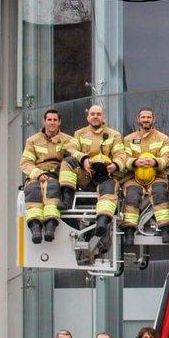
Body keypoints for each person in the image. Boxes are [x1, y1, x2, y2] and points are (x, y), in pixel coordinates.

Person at [59, 103, 124, 255]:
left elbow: (121, 155)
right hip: (86, 176)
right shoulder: (79, 134)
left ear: (103, 117)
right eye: (93, 114)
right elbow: (70, 149)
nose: (95, 116)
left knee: (109, 190)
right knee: (67, 162)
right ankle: (67, 196)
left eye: (98, 114)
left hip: (106, 176)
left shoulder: (114, 135)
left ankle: (102, 222)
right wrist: (83, 159)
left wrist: (114, 165)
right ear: (87, 117)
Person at [115, 107, 169, 247]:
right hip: (133, 178)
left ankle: (165, 229)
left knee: (160, 193)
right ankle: (129, 231)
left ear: (154, 119)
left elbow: (168, 158)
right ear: (138, 119)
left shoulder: (163, 138)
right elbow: (124, 158)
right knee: (132, 195)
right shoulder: (128, 139)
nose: (146, 120)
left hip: (158, 177)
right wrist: (135, 162)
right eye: (143, 117)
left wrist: (155, 162)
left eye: (148, 117)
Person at [20, 108, 71, 243]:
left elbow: (72, 158)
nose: (52, 122)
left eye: (55, 120)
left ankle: (50, 226)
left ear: (59, 122)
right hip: (36, 176)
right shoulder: (32, 141)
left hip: (56, 177)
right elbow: (26, 163)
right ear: (44, 122)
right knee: (32, 191)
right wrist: (38, 174)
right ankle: (35, 227)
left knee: (52, 190)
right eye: (49, 120)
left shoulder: (67, 140)